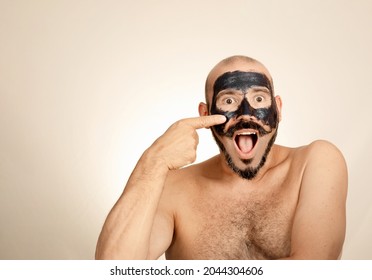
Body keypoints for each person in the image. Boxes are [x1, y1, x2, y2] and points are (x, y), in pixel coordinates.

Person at [95, 55, 348, 260]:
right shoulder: (173, 188)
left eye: (259, 98)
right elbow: (113, 270)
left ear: (278, 109)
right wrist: (153, 161)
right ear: (205, 114)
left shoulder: (315, 163)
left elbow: (314, 271)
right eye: (229, 100)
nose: (245, 114)